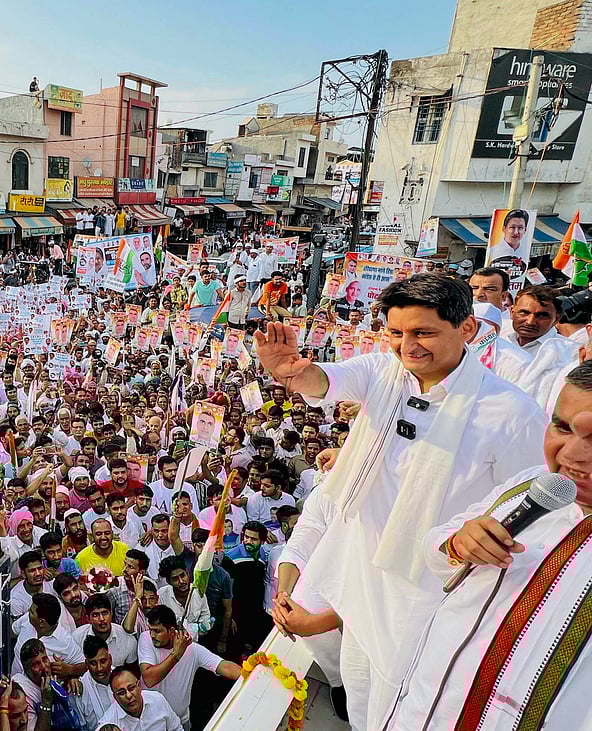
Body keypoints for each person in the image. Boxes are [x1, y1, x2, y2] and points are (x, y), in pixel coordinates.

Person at [259, 273, 547, 728]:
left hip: (428, 600)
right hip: (361, 588)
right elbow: (325, 382)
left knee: (406, 711)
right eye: (396, 333)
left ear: (466, 329)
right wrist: (291, 371)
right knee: (360, 701)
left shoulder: (510, 412)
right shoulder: (382, 373)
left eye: (422, 333)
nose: (407, 346)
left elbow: (528, 513)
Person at [379, 361, 592, 729]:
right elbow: (435, 546)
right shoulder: (532, 484)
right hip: (419, 708)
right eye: (562, 427)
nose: (571, 454)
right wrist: (459, 544)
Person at [138, 605, 240, 729]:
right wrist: (176, 655)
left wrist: (251, 673)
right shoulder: (145, 639)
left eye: (157, 631)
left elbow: (224, 666)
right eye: (150, 630)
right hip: (152, 723)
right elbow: (149, 679)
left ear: (171, 631)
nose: (152, 635)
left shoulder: (192, 649)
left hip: (181, 721)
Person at [98, 666, 183, 731]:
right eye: (121, 693)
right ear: (115, 697)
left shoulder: (157, 700)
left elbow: (176, 728)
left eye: (131, 688)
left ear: (139, 685)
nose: (128, 695)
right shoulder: (109, 722)